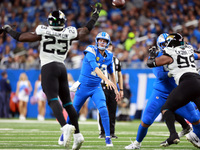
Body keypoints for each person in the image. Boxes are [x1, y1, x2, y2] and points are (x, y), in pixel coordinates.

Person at [1, 3, 102, 149]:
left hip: (48, 67)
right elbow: (86, 30)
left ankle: (64, 126)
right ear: (63, 21)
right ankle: (78, 135)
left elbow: (21, 37)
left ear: (49, 21)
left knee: (52, 99)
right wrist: (95, 15)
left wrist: (8, 29)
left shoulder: (43, 30)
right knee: (67, 103)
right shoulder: (69, 32)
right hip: (62, 67)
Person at [125, 33, 200, 149]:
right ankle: (137, 143)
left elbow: (193, 55)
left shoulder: (174, 53)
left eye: (167, 43)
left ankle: (195, 136)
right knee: (146, 120)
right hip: (161, 93)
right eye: (163, 44)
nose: (166, 46)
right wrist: (174, 71)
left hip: (180, 91)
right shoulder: (162, 55)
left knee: (195, 119)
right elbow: (160, 75)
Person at [58, 32, 120, 147]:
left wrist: (116, 88)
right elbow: (95, 68)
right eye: (100, 40)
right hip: (83, 86)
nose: (102, 42)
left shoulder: (109, 55)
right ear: (97, 41)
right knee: (74, 111)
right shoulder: (90, 50)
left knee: (103, 109)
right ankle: (63, 134)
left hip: (96, 87)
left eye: (104, 41)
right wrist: (106, 80)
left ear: (107, 43)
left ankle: (107, 138)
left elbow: (112, 72)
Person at [98, 42, 124, 139]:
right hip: (103, 85)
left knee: (113, 110)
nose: (108, 48)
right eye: (106, 46)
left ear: (112, 47)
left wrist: (120, 89)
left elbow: (119, 75)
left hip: (113, 87)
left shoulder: (116, 60)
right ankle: (102, 132)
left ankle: (112, 132)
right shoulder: (100, 59)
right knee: (103, 109)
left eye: (109, 46)